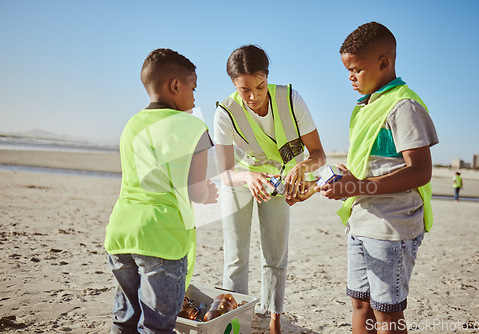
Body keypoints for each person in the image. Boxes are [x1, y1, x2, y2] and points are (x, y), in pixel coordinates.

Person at [316, 22, 439, 334]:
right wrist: (347, 178)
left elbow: (420, 170)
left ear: (384, 63)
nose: (350, 77)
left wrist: (357, 186)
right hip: (362, 219)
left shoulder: (403, 105)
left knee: (386, 311)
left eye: (356, 69)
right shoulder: (364, 106)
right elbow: (373, 166)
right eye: (348, 70)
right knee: (361, 303)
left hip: (391, 226)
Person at [104, 48, 218, 333]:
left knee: (125, 319)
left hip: (121, 234)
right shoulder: (193, 126)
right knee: (156, 327)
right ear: (176, 85)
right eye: (193, 87)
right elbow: (195, 191)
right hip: (162, 238)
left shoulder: (131, 124)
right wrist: (209, 194)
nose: (194, 97)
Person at [214, 44, 326, 334]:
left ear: (268, 77)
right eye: (244, 90)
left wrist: (302, 168)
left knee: (275, 254)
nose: (253, 96)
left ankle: (274, 319)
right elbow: (225, 173)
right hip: (240, 180)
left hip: (279, 180)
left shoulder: (291, 99)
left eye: (260, 86)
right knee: (235, 257)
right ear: (233, 85)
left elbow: (318, 155)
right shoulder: (225, 112)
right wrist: (248, 177)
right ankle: (235, 323)